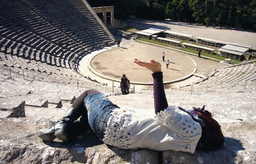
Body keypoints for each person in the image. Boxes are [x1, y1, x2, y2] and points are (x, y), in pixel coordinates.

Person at [39, 59, 224, 153]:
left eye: (200, 112)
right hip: (115, 137)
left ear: (204, 121)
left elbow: (162, 112)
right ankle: (69, 133)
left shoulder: (194, 129)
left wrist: (157, 74)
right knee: (89, 118)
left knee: (90, 93)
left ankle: (63, 123)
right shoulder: (190, 144)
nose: (195, 110)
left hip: (112, 123)